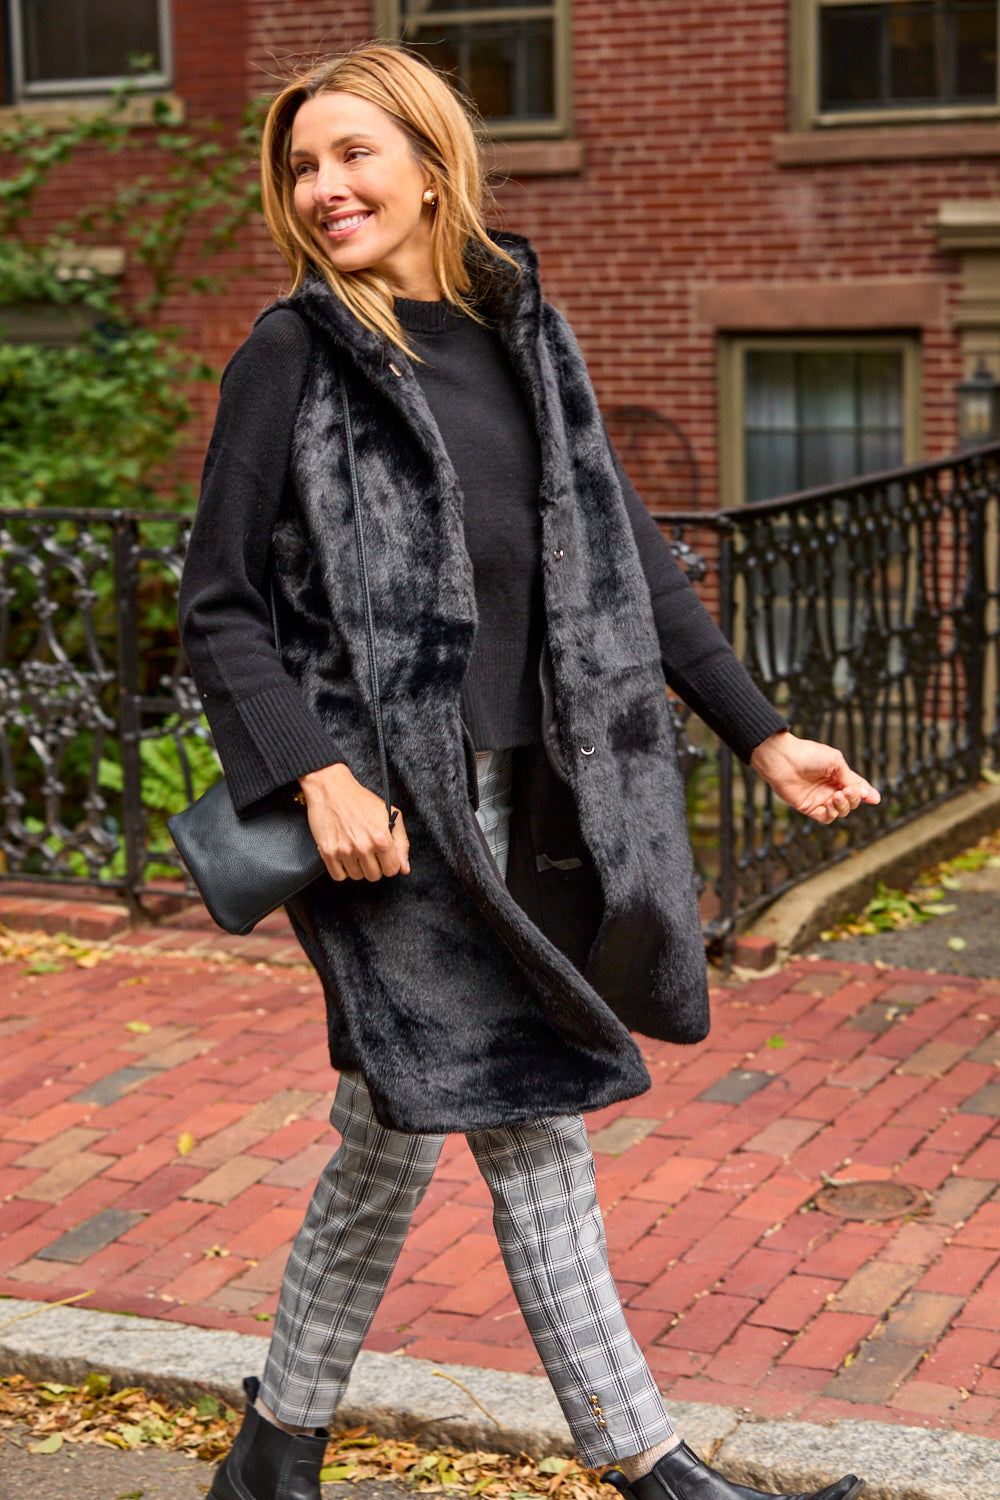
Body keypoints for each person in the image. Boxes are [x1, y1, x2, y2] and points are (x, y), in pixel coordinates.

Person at [179, 44, 875, 1500]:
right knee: (527, 1113)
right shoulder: (292, 355)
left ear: (432, 165)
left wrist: (760, 728)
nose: (326, 189)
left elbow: (623, 560)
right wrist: (313, 776)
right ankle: (653, 1466)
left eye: (355, 156)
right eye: (304, 167)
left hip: (534, 804)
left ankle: (274, 1448)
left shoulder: (524, 338)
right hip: (384, 823)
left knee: (393, 1129)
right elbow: (221, 603)